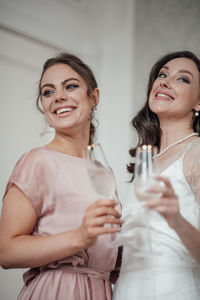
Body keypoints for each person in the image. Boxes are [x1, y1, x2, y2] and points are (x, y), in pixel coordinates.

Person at [0, 53, 121, 300]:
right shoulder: (37, 161)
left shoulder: (103, 171)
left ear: (94, 98)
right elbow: (6, 251)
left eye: (71, 86)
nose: (58, 97)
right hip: (57, 291)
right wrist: (79, 237)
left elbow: (105, 256)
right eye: (48, 92)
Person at [112, 51, 200, 299]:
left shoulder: (196, 153)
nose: (165, 81)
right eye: (162, 74)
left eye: (182, 79)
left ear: (199, 102)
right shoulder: (146, 161)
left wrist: (177, 219)